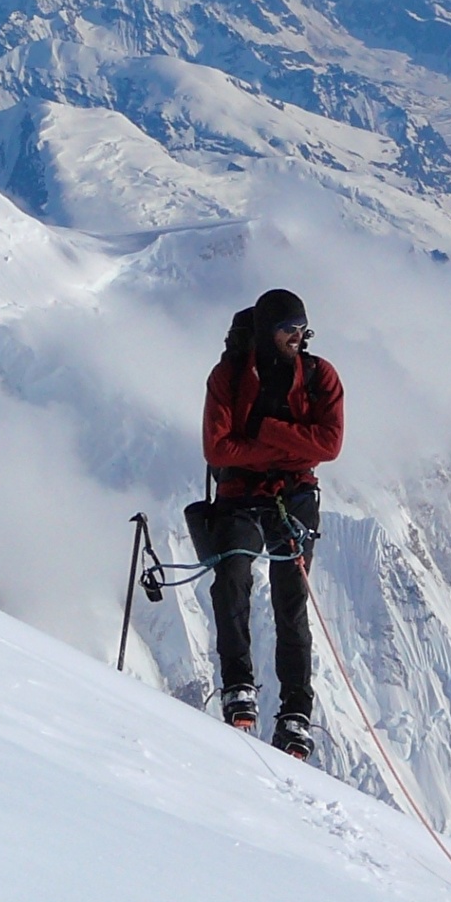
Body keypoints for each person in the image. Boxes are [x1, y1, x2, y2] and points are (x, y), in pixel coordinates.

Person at [201, 288, 344, 759]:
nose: (298, 339)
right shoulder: (228, 375)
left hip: (281, 492)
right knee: (233, 579)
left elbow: (329, 444)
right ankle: (239, 686)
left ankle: (294, 712)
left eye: (302, 330)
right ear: (266, 331)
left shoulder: (321, 377)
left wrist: (261, 434)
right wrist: (290, 448)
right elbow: (217, 450)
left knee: (290, 597)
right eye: (289, 330)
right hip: (254, 492)